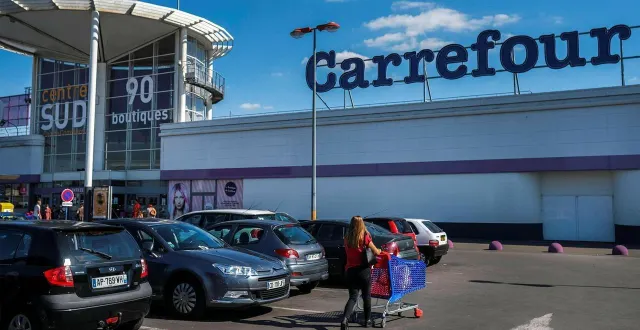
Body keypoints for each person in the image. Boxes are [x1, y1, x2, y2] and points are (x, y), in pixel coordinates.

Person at [341, 216, 383, 330]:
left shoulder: (347, 238)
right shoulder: (365, 237)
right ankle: (368, 320)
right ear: (362, 224)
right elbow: (376, 251)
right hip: (364, 270)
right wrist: (379, 250)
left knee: (353, 297)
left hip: (350, 270)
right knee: (366, 296)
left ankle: (345, 319)